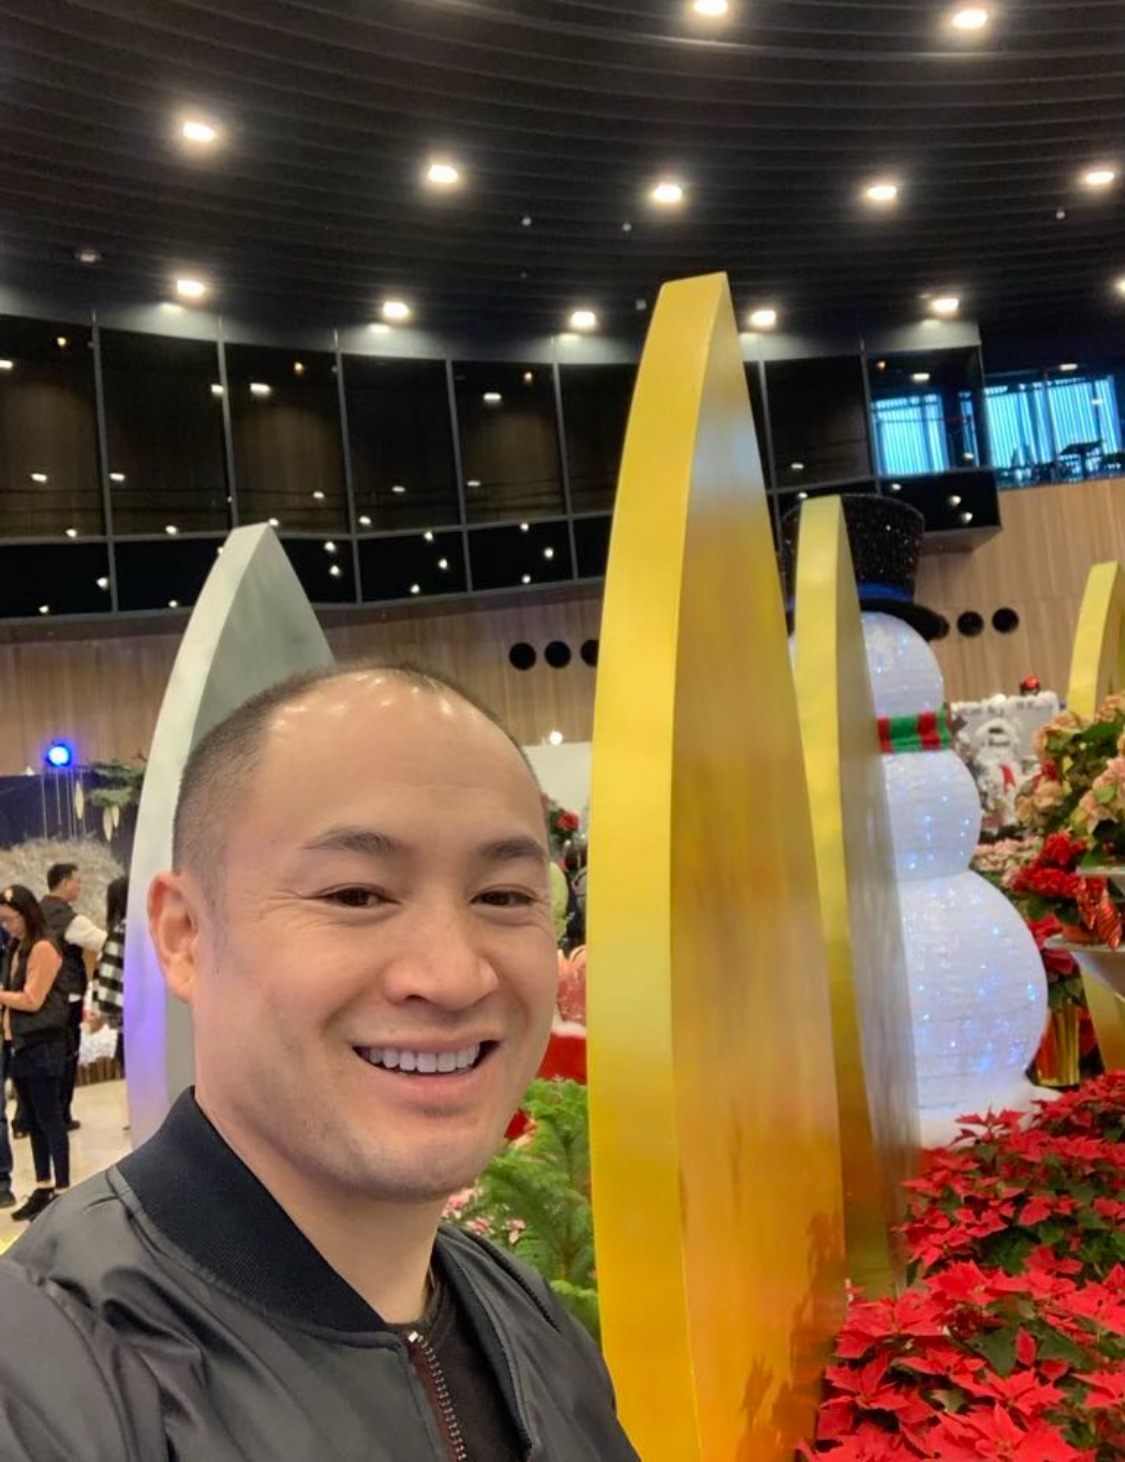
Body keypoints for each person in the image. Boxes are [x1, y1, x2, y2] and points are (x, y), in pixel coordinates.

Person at [0, 664, 641, 1461]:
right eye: (355, 896)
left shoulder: (527, 1321)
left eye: (503, 897)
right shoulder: (48, 1378)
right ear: (184, 936)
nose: (453, 976)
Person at [0, 885, 67, 1220]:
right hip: (21, 1045)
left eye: (10, 919)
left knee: (51, 1119)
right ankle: (43, 1186)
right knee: (33, 1120)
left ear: (26, 914)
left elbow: (32, 999)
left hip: (43, 1045)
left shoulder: (43, 947)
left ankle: (63, 1189)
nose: (7, 926)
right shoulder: (16, 947)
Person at [40, 862, 106, 1132]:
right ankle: (62, 1116)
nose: (80, 886)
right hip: (67, 997)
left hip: (43, 998)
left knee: (46, 1057)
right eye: (77, 881)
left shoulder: (38, 912)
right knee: (67, 1056)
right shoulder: (68, 919)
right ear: (65, 882)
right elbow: (103, 941)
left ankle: (35, 1118)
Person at [92, 876, 128, 1071]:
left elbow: (108, 975)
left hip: (128, 1018)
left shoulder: (120, 931)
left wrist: (102, 1012)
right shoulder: (146, 927)